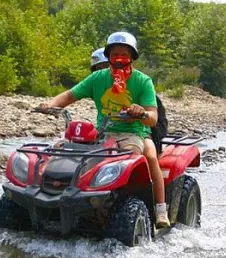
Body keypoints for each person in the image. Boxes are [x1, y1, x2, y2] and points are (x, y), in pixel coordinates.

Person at [38, 31, 170, 228]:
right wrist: (50, 105)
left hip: (134, 133)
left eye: (124, 54)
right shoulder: (98, 78)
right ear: (108, 56)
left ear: (132, 57)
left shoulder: (143, 81)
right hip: (103, 131)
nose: (119, 59)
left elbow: (152, 119)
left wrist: (141, 113)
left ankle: (160, 209)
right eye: (115, 54)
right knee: (62, 150)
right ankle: (62, 194)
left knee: (140, 157)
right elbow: (69, 95)